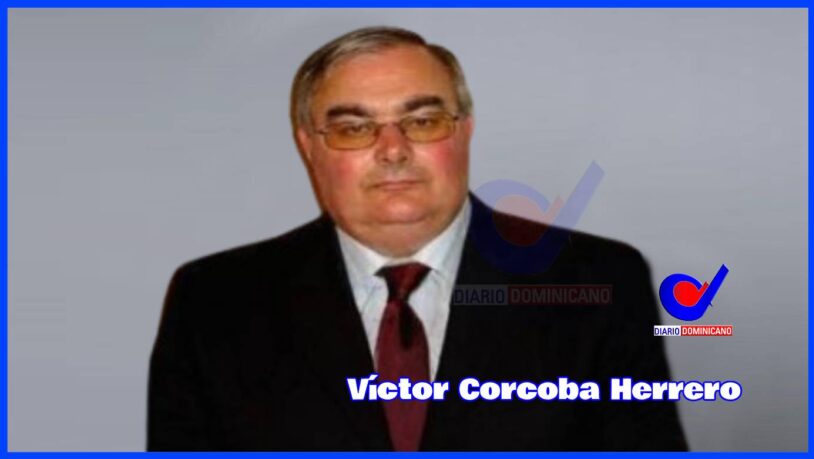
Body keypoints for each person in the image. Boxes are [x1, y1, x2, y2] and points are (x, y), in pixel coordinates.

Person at [147, 26, 688, 452]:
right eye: (353, 128)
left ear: (465, 129)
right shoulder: (213, 302)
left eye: (423, 120)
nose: (393, 149)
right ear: (308, 147)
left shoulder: (599, 283)